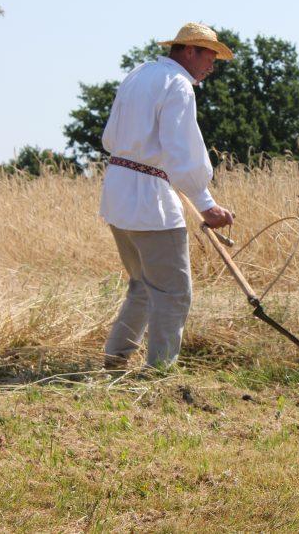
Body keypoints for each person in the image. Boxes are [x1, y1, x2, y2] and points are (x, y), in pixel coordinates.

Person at [99, 22, 235, 371]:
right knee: (173, 292)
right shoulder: (178, 85)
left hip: (117, 192)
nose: (212, 65)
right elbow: (180, 150)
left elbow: (113, 135)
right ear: (189, 50)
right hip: (149, 201)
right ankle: (158, 370)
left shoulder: (139, 74)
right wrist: (206, 204)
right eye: (209, 56)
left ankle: (115, 359)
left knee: (143, 285)